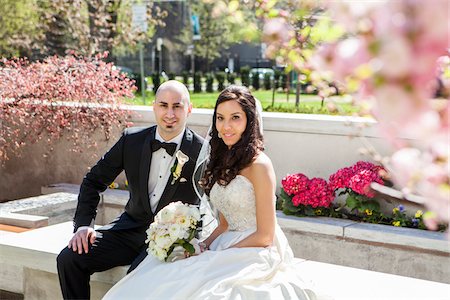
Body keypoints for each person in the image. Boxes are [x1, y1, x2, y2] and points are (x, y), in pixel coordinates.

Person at [103, 85, 321, 299]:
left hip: (254, 249)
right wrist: (204, 245)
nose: (226, 126)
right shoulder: (221, 159)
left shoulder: (260, 165)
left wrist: (222, 255)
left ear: (249, 120)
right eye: (220, 118)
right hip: (225, 241)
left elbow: (265, 236)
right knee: (164, 274)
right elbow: (225, 224)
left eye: (235, 117)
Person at [56, 80, 204, 300]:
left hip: (170, 239)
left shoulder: (202, 151)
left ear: (189, 109)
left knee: (136, 278)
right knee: (69, 258)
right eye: (163, 105)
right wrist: (84, 225)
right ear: (154, 107)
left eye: (177, 106)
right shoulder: (132, 140)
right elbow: (93, 181)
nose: (170, 113)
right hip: (128, 230)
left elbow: (211, 202)